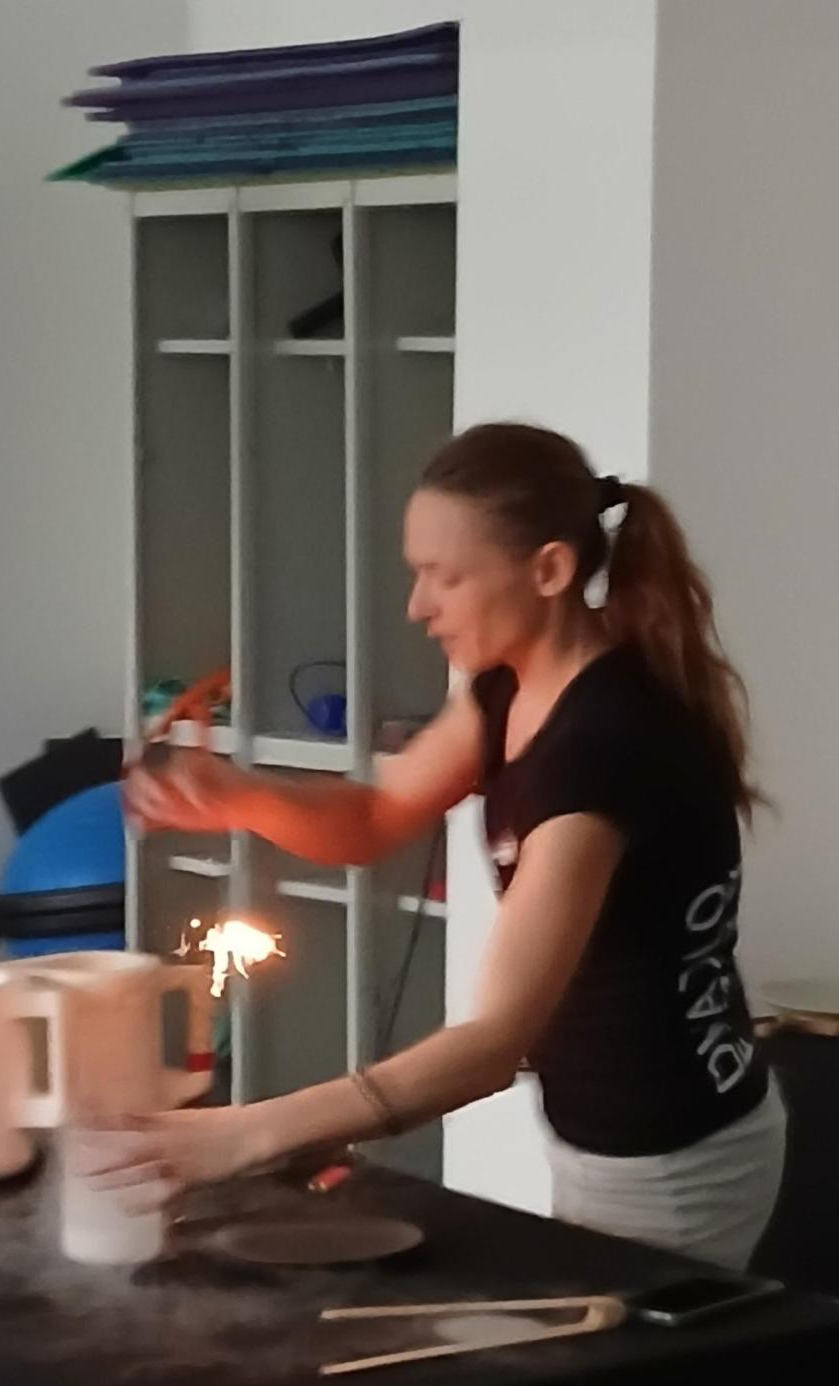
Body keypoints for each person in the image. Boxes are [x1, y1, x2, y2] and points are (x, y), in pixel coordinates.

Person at [97, 422, 784, 1271]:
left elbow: (493, 1043)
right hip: (613, 1133)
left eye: (444, 576)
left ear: (549, 570)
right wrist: (245, 796)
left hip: (678, 1160)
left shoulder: (600, 752)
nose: (417, 607)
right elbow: (378, 814)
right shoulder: (506, 691)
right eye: (416, 573)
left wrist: (249, 1134)